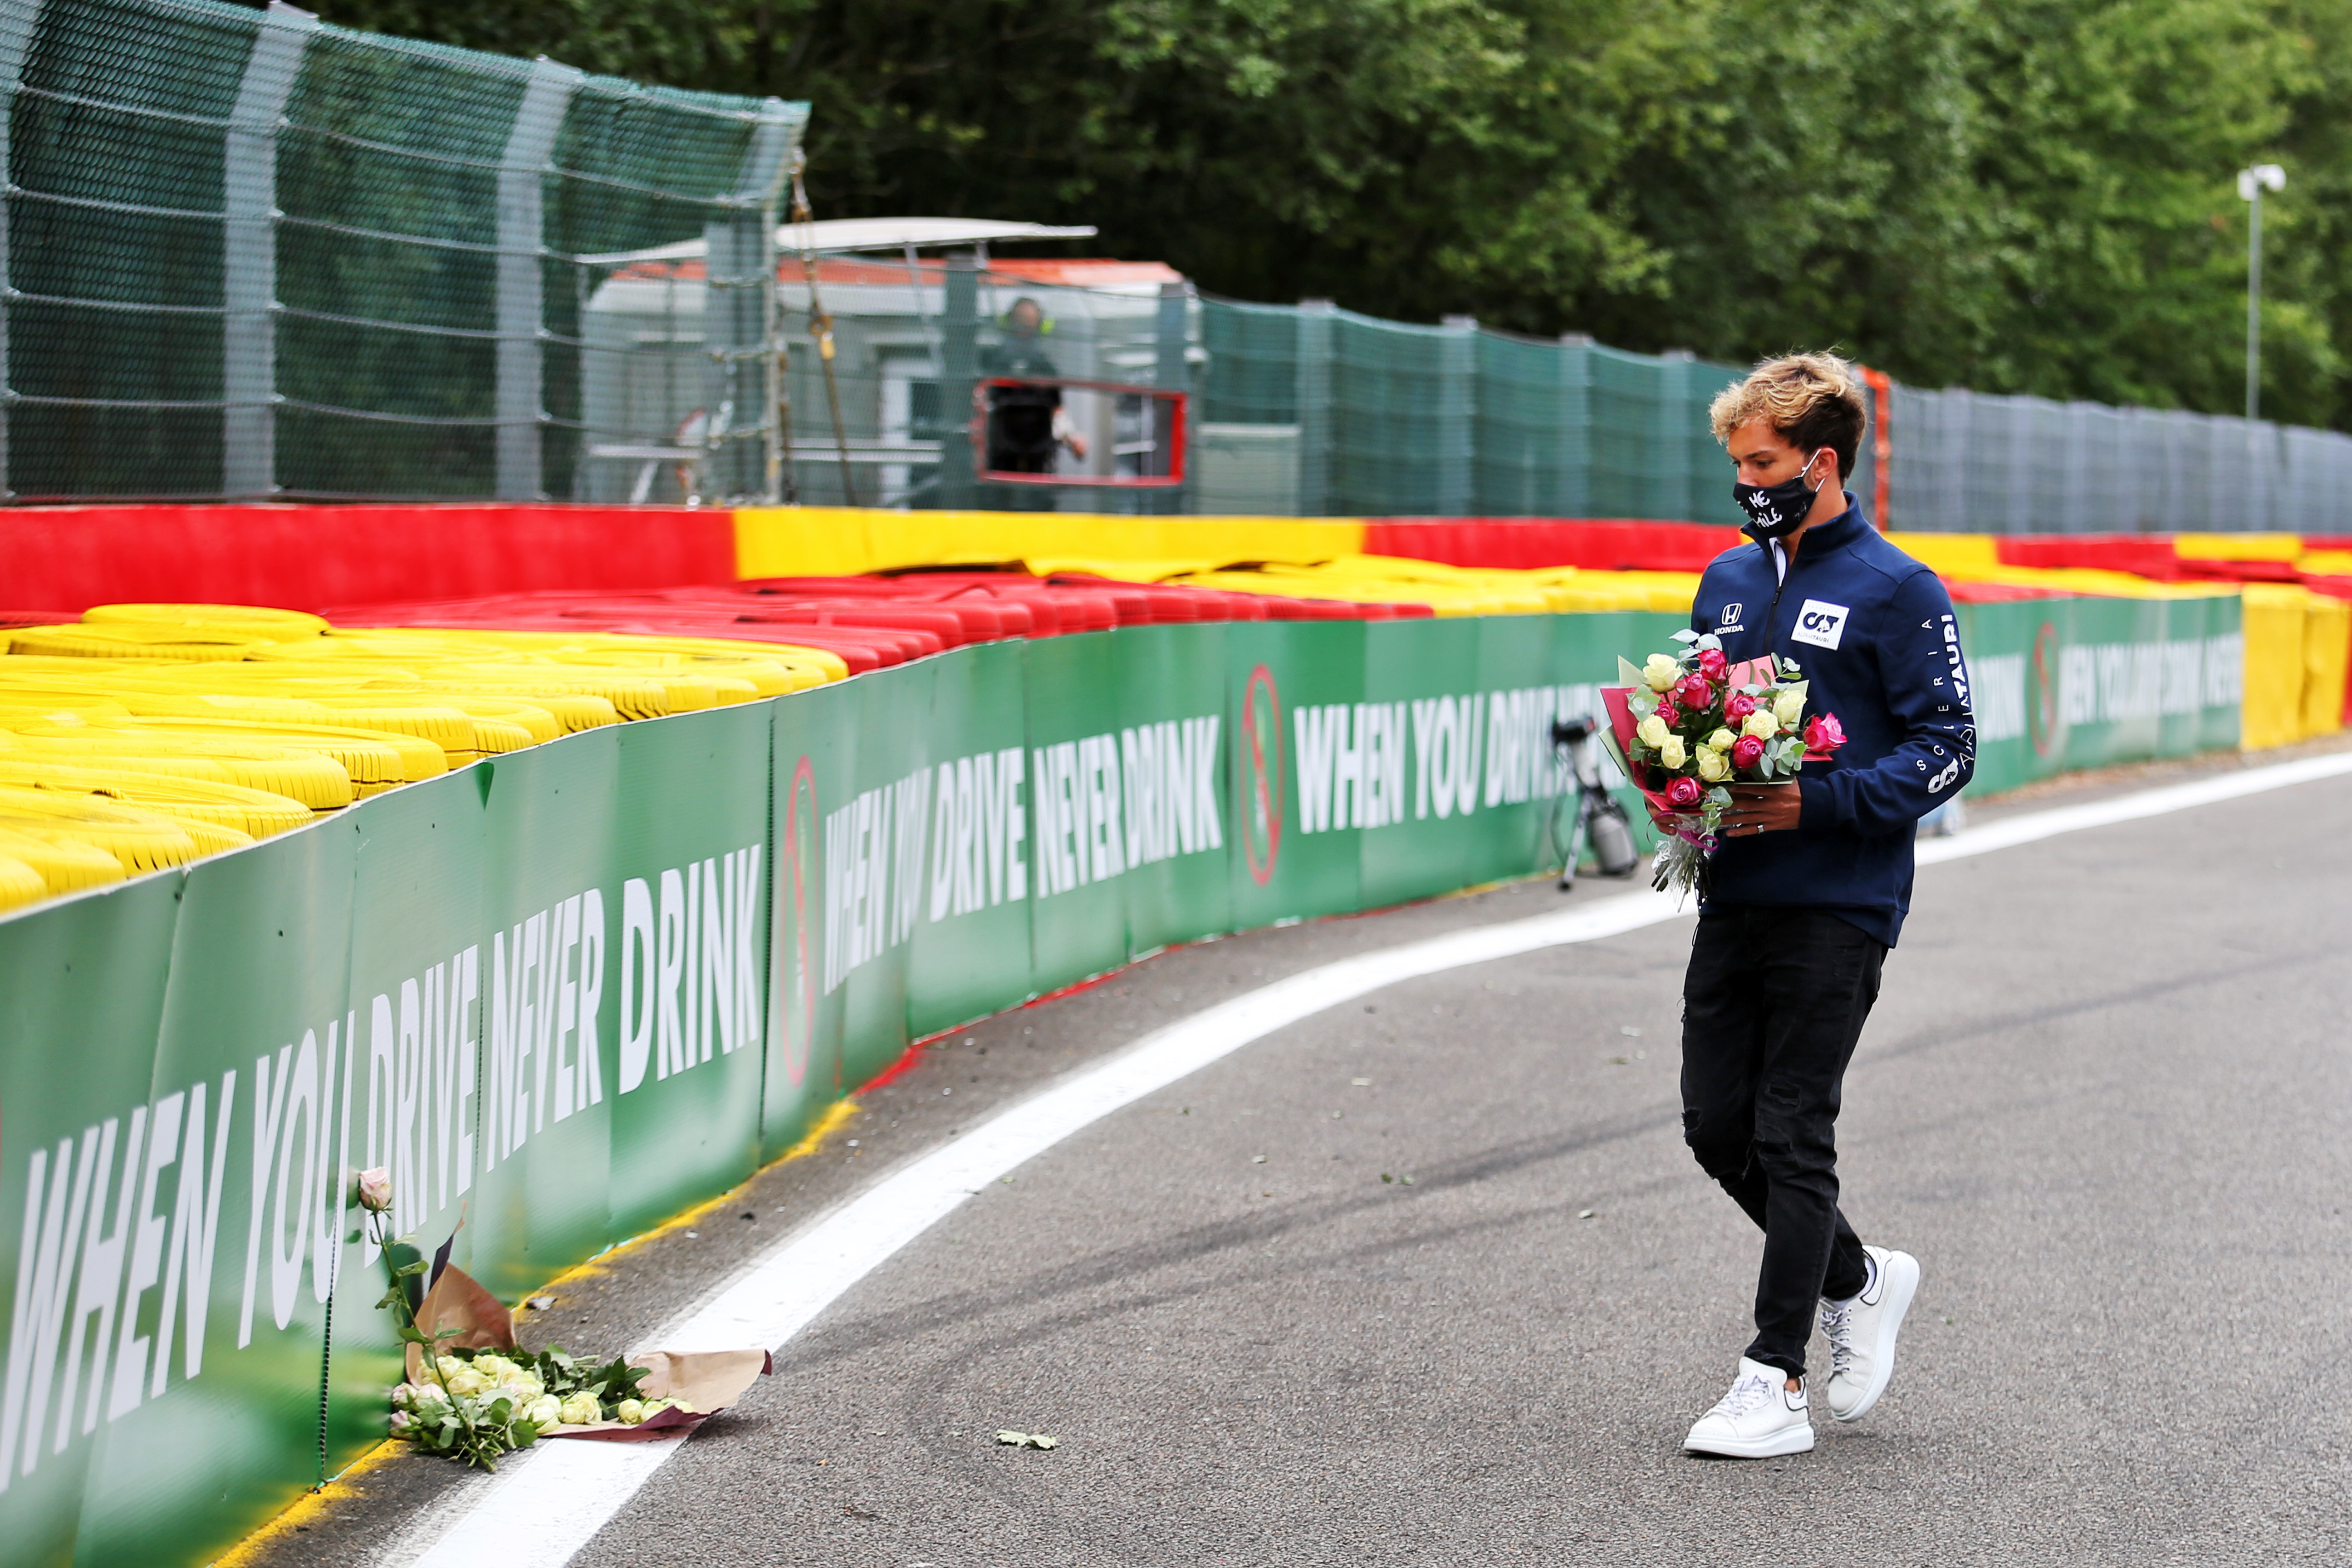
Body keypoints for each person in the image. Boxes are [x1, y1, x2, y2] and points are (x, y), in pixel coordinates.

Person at [1668, 352, 1974, 1459]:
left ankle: (1771, 1377)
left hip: (1839, 898)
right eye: (1736, 462)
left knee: (1790, 1128)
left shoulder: (1899, 587)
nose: (1744, 480)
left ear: (1821, 461)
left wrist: (1819, 801)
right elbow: (1698, 718)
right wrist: (1678, 787)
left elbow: (1950, 750)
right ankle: (1856, 1274)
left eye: (1761, 462)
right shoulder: (1726, 580)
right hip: (1734, 892)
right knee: (1715, 1125)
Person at [980, 297, 1089, 475]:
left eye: (1029, 323)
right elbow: (978, 404)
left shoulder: (1045, 367)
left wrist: (1072, 437)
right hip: (999, 452)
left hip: (1038, 453)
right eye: (1020, 322)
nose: (1024, 330)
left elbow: (1057, 411)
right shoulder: (991, 361)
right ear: (1009, 322)